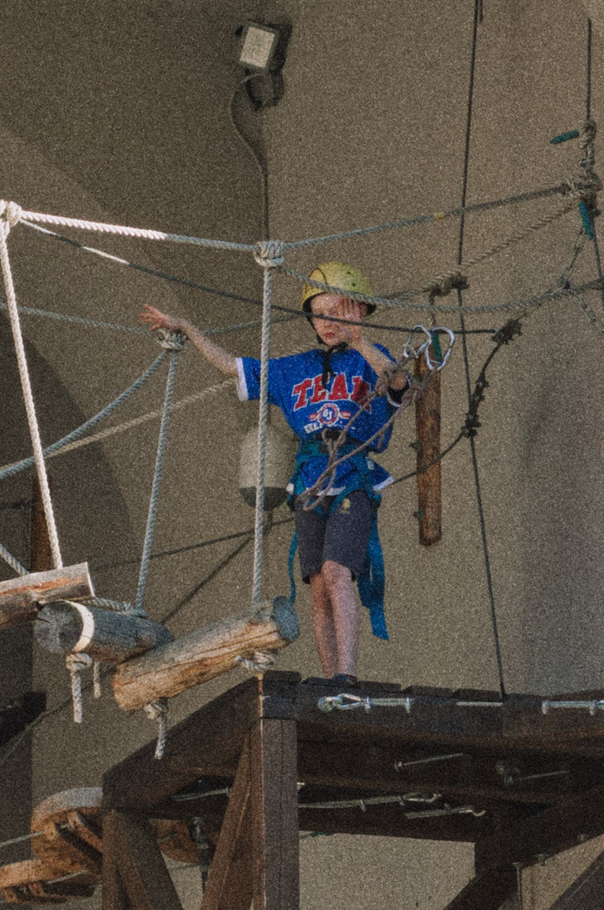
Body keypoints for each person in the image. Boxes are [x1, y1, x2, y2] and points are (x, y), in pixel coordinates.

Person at [139, 261, 411, 676]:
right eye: (318, 314)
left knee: (338, 572)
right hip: (307, 481)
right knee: (318, 585)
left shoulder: (371, 361)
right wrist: (188, 327)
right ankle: (329, 679)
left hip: (351, 475)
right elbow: (232, 365)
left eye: (336, 310)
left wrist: (361, 344)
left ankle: (348, 675)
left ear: (356, 310)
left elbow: (397, 383)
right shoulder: (293, 369)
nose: (326, 322)